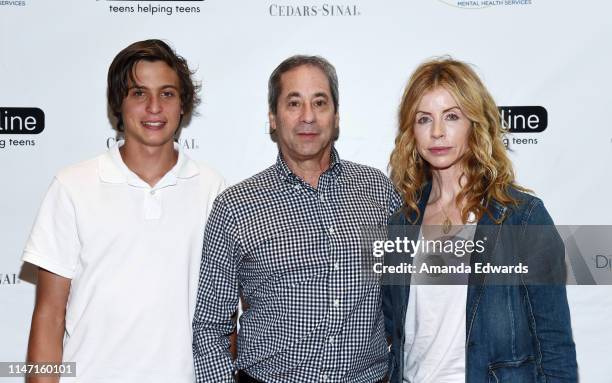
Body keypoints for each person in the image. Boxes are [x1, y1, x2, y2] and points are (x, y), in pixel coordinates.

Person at [23, 39, 224, 382]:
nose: (154, 107)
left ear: (182, 105)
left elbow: (223, 319)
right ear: (119, 102)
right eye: (139, 93)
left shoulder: (213, 189)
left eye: (167, 94)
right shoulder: (72, 185)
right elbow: (49, 315)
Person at [192, 55, 401, 383]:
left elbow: (411, 296)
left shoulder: (377, 188)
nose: (308, 117)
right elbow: (210, 328)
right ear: (273, 118)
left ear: (336, 116)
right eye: (294, 103)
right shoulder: (234, 206)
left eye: (320, 102)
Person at [382, 57, 577, 383]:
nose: (438, 132)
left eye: (452, 117)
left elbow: (554, 345)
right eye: (424, 119)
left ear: (475, 124)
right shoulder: (401, 223)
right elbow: (395, 332)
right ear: (411, 132)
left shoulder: (522, 218)